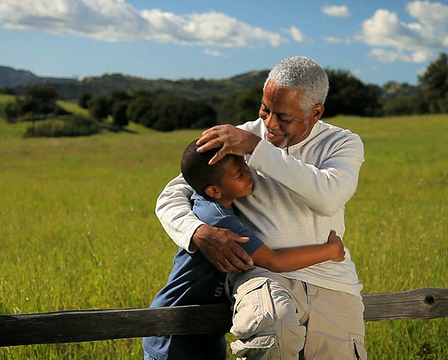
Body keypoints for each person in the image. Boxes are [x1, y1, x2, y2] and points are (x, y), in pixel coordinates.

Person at [155, 56, 367, 359]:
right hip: (263, 275)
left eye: (284, 117)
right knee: (272, 332)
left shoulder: (342, 143)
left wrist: (256, 148)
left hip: (332, 281)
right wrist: (198, 232)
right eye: (265, 109)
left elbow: (328, 197)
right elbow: (172, 194)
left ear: (315, 113)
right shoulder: (236, 138)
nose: (269, 124)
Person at [142, 139, 346, 360]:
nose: (249, 174)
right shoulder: (216, 219)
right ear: (213, 190)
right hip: (174, 331)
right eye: (239, 175)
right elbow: (274, 261)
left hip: (208, 329)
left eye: (246, 167)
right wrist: (330, 251)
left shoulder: (221, 206)